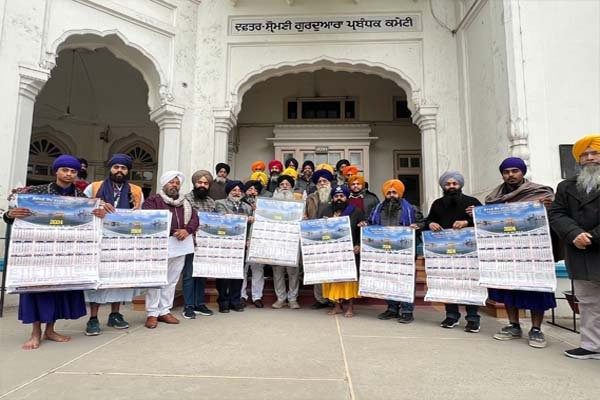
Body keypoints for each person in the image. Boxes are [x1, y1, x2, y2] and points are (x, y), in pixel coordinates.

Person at [3, 155, 106, 350]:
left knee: (58, 291)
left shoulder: (82, 198)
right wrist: (10, 214)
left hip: (67, 252)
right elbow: (12, 216)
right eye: (65, 170)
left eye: (73, 171)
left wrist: (100, 214)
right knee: (37, 290)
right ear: (56, 171)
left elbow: (92, 220)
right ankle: (35, 332)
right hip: (40, 251)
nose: (69, 174)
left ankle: (50, 330)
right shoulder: (37, 192)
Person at [485, 157, 555, 348]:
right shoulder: (493, 198)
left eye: (514, 171)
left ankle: (536, 329)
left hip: (532, 250)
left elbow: (555, 214)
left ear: (522, 172)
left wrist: (547, 207)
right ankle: (513, 325)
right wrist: (477, 213)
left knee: (535, 288)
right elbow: (489, 219)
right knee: (509, 287)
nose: (510, 175)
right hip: (506, 250)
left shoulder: (539, 192)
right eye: (506, 172)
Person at [549, 134, 600, 359]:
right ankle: (591, 345)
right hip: (579, 250)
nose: (589, 158)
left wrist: (592, 236)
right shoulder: (566, 186)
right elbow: (557, 213)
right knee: (588, 302)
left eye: (594, 153)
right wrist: (574, 233)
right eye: (584, 155)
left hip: (595, 245)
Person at [83, 153, 144, 335]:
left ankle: (115, 314)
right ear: (110, 168)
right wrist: (99, 206)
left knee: (118, 278)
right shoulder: (94, 187)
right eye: (116, 167)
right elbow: (83, 209)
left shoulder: (135, 190)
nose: (119, 170)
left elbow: (138, 214)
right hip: (98, 240)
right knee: (98, 279)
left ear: (127, 171)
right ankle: (93, 318)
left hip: (122, 239)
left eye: (123, 168)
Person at [425, 171, 482, 333]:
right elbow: (429, 220)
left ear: (460, 185)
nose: (451, 187)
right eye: (448, 184)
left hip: (468, 252)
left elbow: (486, 221)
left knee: (469, 283)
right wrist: (430, 224)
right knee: (448, 283)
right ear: (443, 186)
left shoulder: (472, 202)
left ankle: (472, 318)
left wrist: (467, 221)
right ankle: (451, 315)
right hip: (444, 252)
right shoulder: (437, 204)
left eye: (454, 184)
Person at [142, 171, 199, 328]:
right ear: (164, 184)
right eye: (171, 182)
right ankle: (152, 313)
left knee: (172, 279)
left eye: (177, 182)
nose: (174, 185)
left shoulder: (185, 202)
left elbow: (195, 219)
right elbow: (150, 220)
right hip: (159, 245)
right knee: (157, 278)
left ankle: (164, 311)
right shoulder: (153, 200)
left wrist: (187, 230)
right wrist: (175, 230)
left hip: (180, 245)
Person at [370, 179, 424, 324]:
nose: (391, 195)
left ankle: (407, 311)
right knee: (388, 278)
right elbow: (371, 224)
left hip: (405, 251)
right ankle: (392, 308)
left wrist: (417, 226)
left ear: (400, 193)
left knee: (405, 279)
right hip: (384, 252)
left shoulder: (411, 208)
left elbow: (423, 223)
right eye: (389, 193)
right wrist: (365, 225)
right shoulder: (377, 209)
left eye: (394, 192)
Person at [318, 185, 364, 317]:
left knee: (348, 280)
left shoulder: (356, 211)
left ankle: (350, 307)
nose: (339, 199)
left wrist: (358, 245)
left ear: (346, 197)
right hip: (330, 252)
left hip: (349, 252)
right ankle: (337, 306)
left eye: (341, 196)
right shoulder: (326, 211)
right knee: (332, 279)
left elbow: (361, 230)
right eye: (336, 196)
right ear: (332, 198)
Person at [181, 170, 216, 319]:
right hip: (189, 241)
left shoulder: (211, 202)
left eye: (206, 183)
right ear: (194, 183)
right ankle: (188, 306)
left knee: (201, 274)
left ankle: (199, 303)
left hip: (205, 244)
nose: (202, 185)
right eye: (200, 182)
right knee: (189, 275)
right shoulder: (185, 200)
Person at [215, 180, 254, 313]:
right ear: (229, 192)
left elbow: (251, 227)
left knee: (238, 273)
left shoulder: (248, 207)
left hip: (241, 245)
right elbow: (224, 218)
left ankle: (235, 300)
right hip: (225, 243)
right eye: (234, 190)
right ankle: (223, 301)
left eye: (239, 191)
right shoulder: (220, 203)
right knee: (223, 273)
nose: (237, 193)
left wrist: (249, 240)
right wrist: (244, 218)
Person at [305, 167, 336, 309]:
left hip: (333, 238)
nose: (322, 183)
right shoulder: (310, 197)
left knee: (331, 269)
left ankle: (333, 298)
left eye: (325, 181)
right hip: (314, 238)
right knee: (317, 268)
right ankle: (320, 299)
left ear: (330, 183)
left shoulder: (336, 196)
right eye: (319, 182)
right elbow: (305, 213)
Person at [271, 174, 302, 309]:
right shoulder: (270, 203)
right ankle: (280, 298)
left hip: (292, 241)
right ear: (278, 187)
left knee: (293, 272)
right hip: (276, 240)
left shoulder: (299, 202)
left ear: (291, 187)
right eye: (282, 185)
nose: (284, 187)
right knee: (277, 271)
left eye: (287, 185)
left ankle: (293, 299)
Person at [241, 179, 265, 308]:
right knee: (243, 270)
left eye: (255, 190)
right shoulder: (240, 203)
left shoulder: (264, 206)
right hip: (243, 241)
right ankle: (242, 296)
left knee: (258, 270)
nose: (253, 192)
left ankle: (257, 296)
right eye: (250, 189)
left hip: (258, 241)